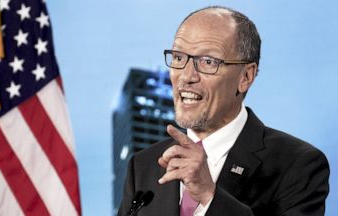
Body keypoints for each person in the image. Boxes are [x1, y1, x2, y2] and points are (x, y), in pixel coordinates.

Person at [117, 6, 329, 216]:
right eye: (179, 58)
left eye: (208, 62)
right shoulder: (144, 165)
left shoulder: (298, 165)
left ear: (246, 77)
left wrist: (210, 196)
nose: (186, 76)